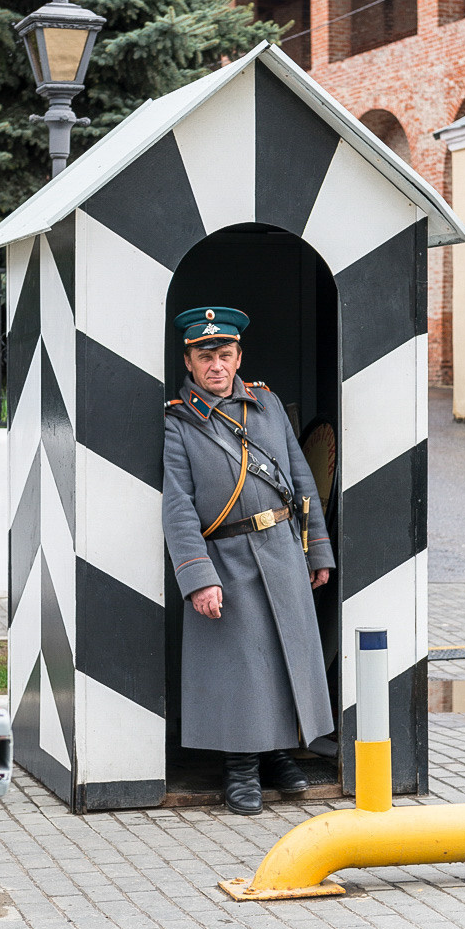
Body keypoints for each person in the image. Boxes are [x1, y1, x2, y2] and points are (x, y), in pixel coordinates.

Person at [162, 306, 335, 815]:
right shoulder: (179, 421)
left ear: (239, 356)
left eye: (225, 354)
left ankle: (281, 755)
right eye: (205, 356)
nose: (217, 365)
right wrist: (198, 578)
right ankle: (240, 770)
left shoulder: (267, 404)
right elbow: (178, 506)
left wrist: (317, 547)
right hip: (227, 555)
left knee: (283, 661)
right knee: (241, 669)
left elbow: (303, 479)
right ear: (189, 361)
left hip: (282, 546)